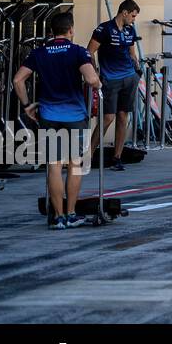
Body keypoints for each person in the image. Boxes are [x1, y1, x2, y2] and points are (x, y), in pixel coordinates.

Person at [13, 12, 102, 228]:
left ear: (51, 32)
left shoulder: (39, 53)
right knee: (75, 164)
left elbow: (18, 80)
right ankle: (71, 214)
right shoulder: (78, 51)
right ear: (70, 30)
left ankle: (58, 217)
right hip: (74, 116)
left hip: (49, 115)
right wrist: (97, 84)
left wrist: (27, 106)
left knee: (53, 165)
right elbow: (91, 79)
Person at [88, 0, 141, 172]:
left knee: (123, 116)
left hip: (129, 77)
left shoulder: (129, 30)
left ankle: (117, 157)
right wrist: (95, 73)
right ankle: (88, 155)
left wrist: (137, 69)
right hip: (110, 79)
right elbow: (90, 52)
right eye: (132, 16)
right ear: (124, 12)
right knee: (108, 118)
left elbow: (132, 53)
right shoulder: (104, 29)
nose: (134, 19)